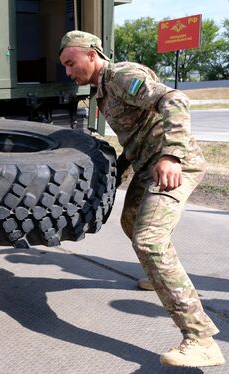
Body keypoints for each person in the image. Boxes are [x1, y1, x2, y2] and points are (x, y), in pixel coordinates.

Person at [58, 30, 225, 368]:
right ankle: (159, 274)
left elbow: (174, 99)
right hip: (148, 165)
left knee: (150, 240)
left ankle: (200, 337)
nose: (68, 72)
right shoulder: (102, 92)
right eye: (64, 66)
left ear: (92, 55)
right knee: (131, 222)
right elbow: (136, 133)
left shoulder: (121, 76)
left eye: (70, 63)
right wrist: (117, 171)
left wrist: (173, 156)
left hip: (173, 165)